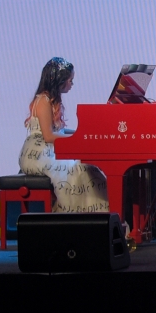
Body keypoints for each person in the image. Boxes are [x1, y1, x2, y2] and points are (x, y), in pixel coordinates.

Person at [18, 57, 109, 213]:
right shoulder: (43, 101)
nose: (71, 84)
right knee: (76, 169)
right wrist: (77, 139)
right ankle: (73, 216)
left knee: (86, 167)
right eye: (70, 80)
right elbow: (48, 136)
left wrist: (81, 134)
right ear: (58, 81)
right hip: (37, 151)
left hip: (47, 148)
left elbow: (58, 131)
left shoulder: (53, 99)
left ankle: (94, 216)